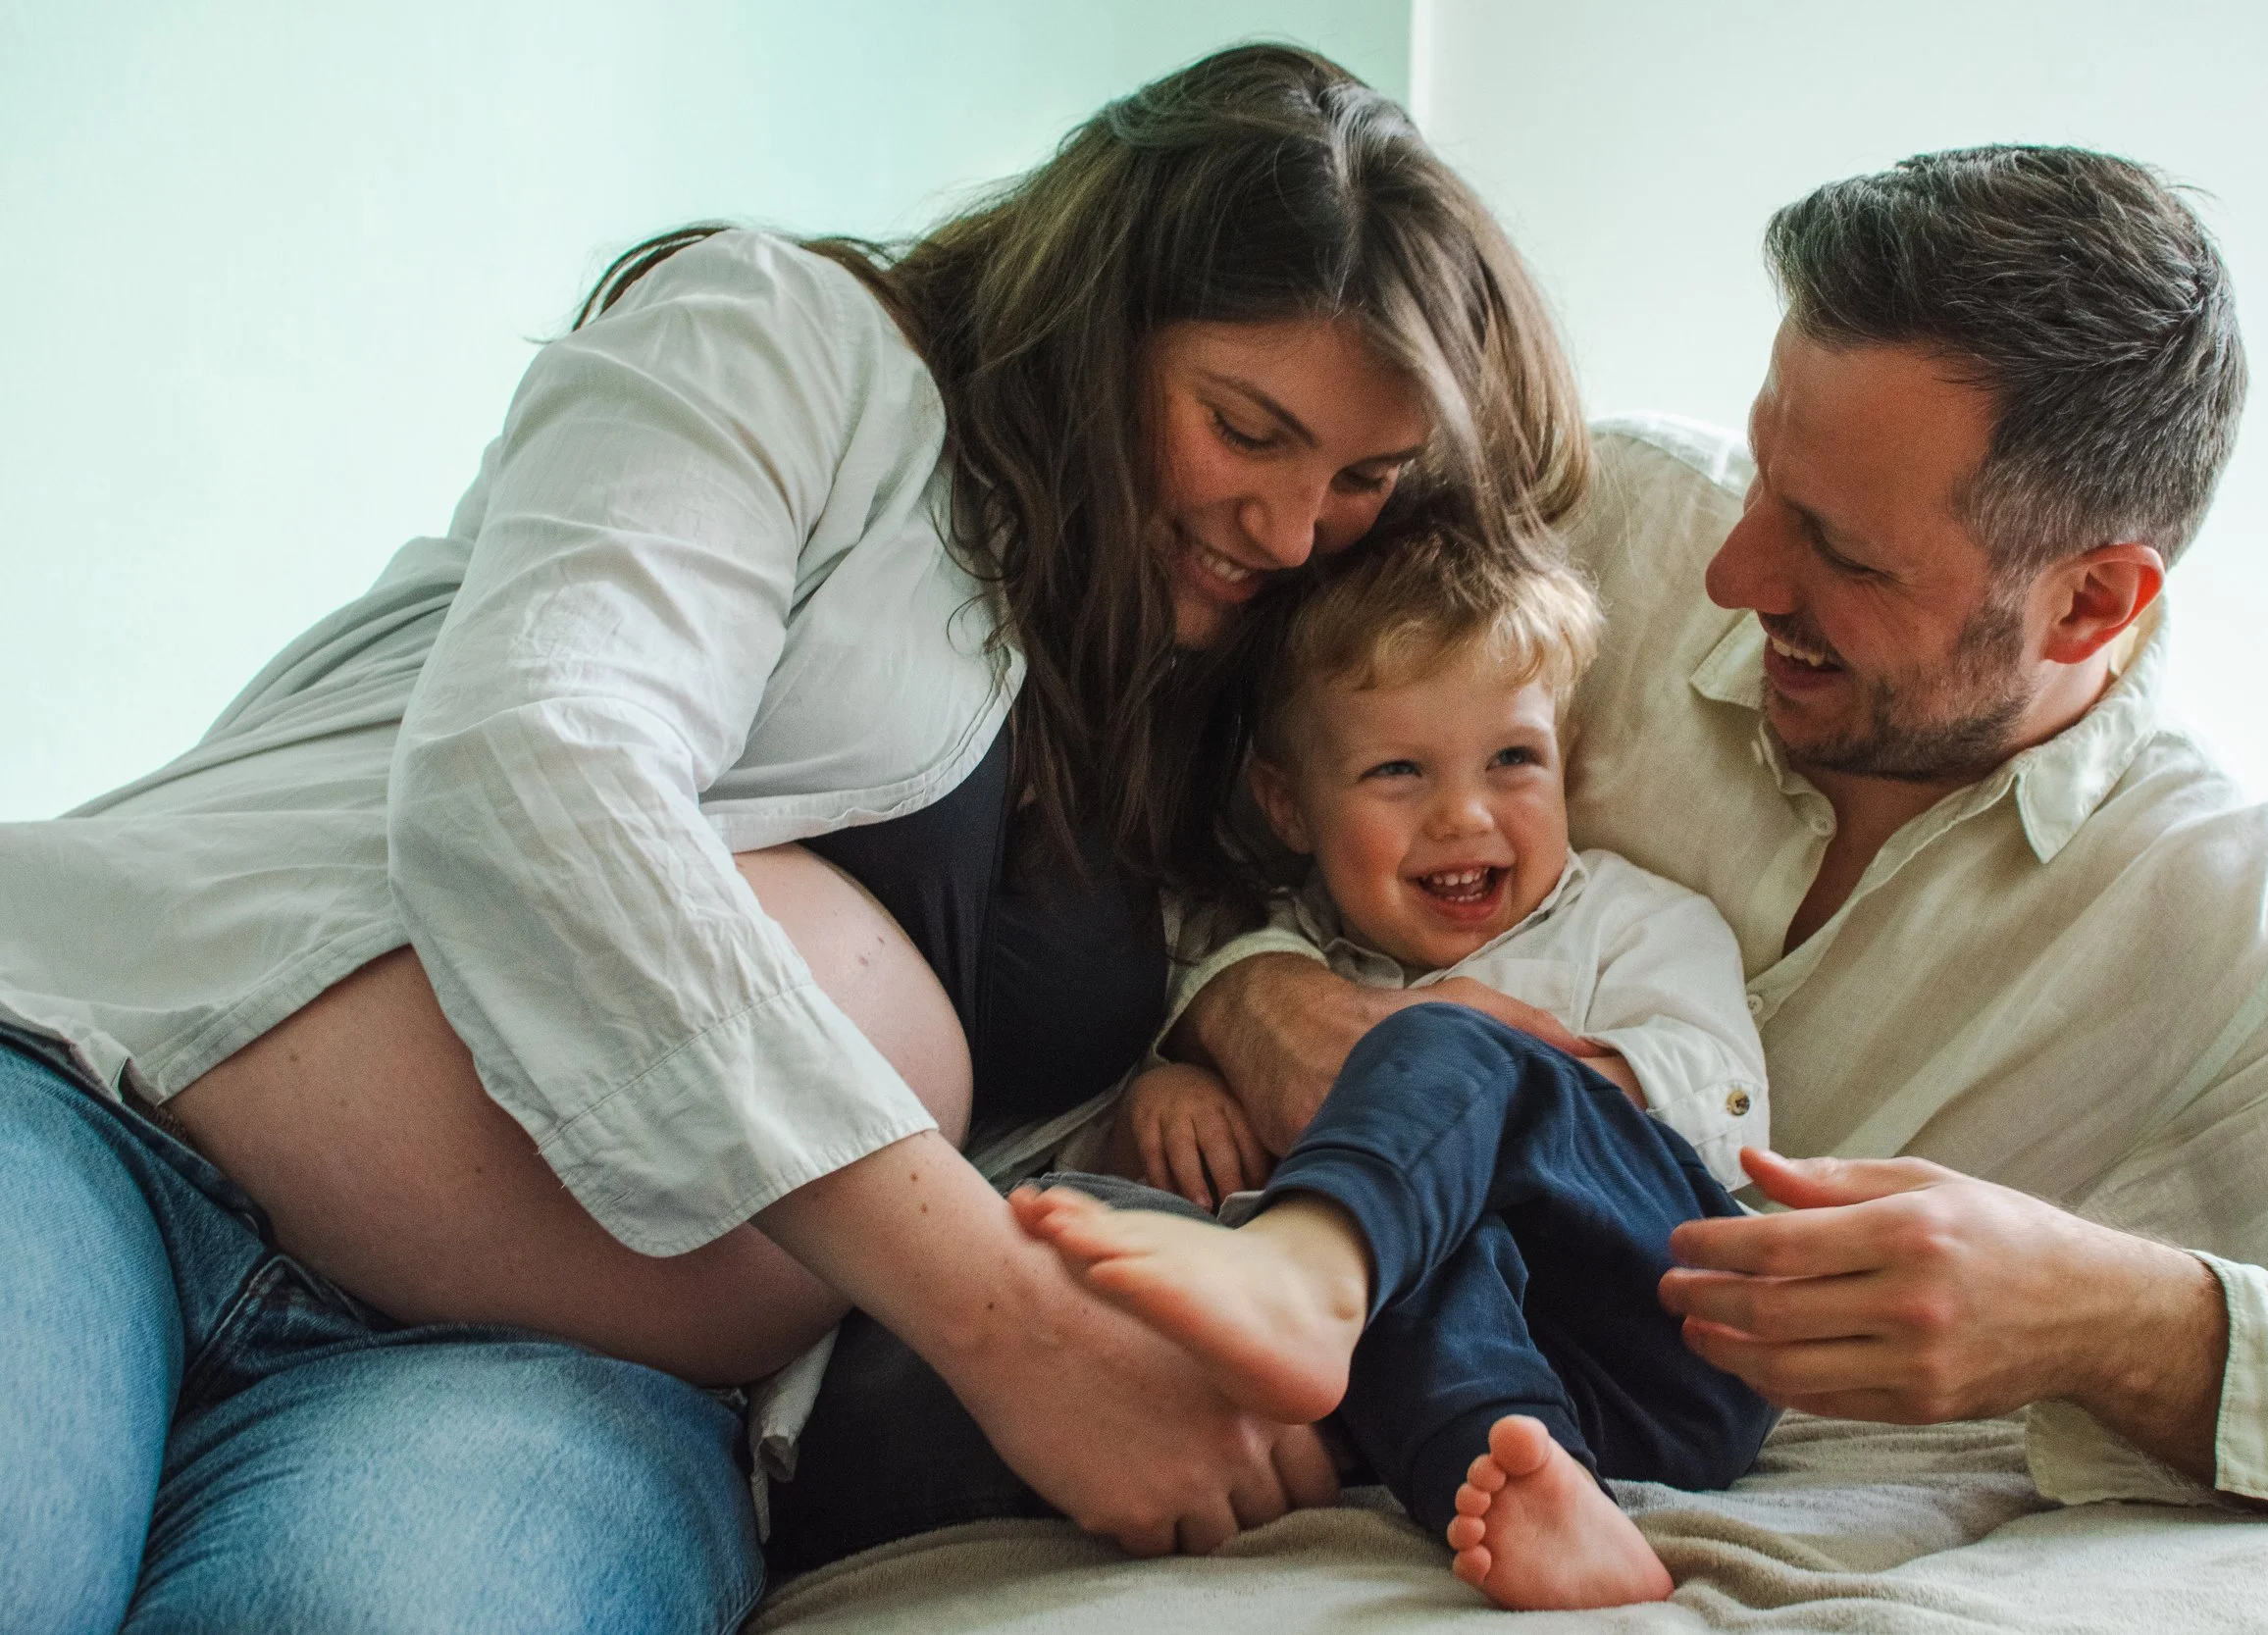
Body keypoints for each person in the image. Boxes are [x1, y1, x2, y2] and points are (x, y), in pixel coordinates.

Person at [0, 45, 1597, 1631]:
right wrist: (1002, 1317)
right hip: (108, 1119)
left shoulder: (1225, 734)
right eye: (1245, 430)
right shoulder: (791, 348)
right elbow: (536, 769)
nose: (1291, 527)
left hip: (555, 1389)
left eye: (1363, 479)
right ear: (1098, 321)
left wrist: (1235, 1007)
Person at [1173, 145, 2268, 1522]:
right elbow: (1193, 756)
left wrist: (2110, 1317)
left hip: (1643, 1408)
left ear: (2089, 604)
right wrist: (1242, 990)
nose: (1734, 573)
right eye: (1763, 477)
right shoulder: (1590, 527)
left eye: (1841, 551)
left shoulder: (2226, 929)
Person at [1012, 532, 1778, 1611]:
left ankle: (1320, 1273)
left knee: (1433, 1053)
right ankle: (1519, 1478)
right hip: (1404, 1403)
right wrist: (1161, 1085)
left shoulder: (1634, 921)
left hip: (1661, 1349)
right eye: (1396, 771)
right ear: (1286, 805)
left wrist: (1468, 1071)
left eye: (1513, 759)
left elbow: (1719, 1113)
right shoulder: (1263, 953)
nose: (1464, 814)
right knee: (1078, 1225)